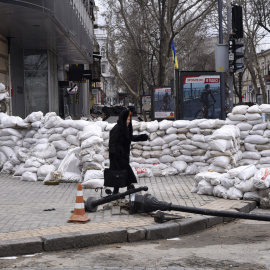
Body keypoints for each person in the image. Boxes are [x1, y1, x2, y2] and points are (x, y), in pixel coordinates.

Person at [109, 109, 148, 194]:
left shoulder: (125, 129)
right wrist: (115, 154)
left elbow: (129, 138)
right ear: (123, 119)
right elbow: (112, 143)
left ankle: (118, 192)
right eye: (127, 119)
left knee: (120, 173)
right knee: (125, 171)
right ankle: (129, 188)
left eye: (130, 120)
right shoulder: (117, 128)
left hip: (124, 155)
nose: (129, 121)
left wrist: (141, 137)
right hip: (117, 156)